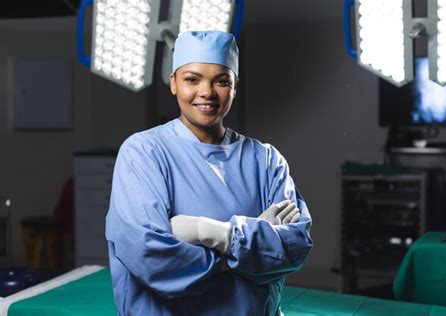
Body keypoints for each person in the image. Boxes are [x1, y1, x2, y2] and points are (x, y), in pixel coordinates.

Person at [105, 30, 313, 315]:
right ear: (173, 83)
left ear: (235, 86)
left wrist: (220, 235)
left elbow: (295, 246)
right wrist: (248, 249)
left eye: (221, 81)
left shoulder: (265, 160)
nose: (207, 92)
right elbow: (148, 253)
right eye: (192, 79)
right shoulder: (144, 152)